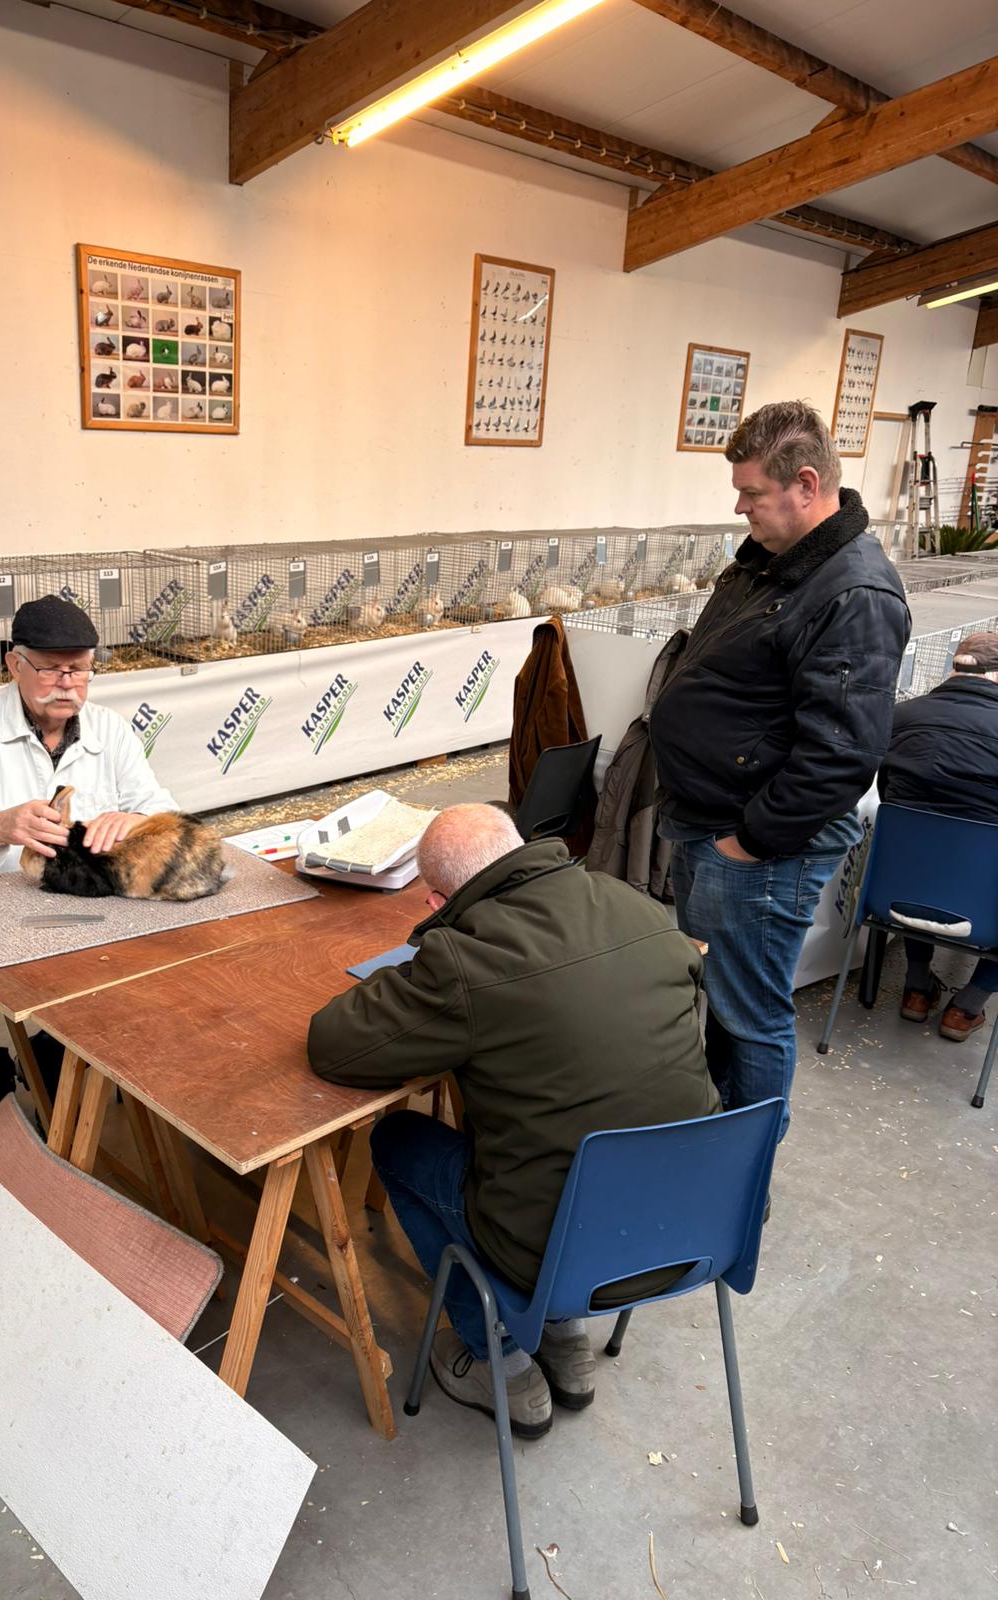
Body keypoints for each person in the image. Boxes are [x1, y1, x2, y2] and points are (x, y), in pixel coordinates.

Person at [307, 804, 720, 1440]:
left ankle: (496, 1356)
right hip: (694, 1225)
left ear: (439, 899)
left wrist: (424, 962)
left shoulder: (464, 959)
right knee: (573, 1120)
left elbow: (334, 1043)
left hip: (553, 1250)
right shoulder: (636, 906)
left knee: (396, 1139)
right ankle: (563, 1334)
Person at [649, 401, 910, 1128]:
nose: (741, 508)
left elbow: (841, 753)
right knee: (723, 998)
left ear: (806, 484)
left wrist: (750, 842)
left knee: (752, 1014)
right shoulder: (775, 562)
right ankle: (716, 1135)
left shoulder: (854, 593)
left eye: (752, 493)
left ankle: (745, 1165)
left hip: (756, 845)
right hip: (710, 820)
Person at [0, 594, 178, 1133]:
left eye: (81, 670)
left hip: (71, 907)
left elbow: (161, 806)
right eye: (51, 669)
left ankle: (53, 1082)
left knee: (97, 992)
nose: (68, 684)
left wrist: (135, 820)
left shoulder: (110, 730)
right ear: (14, 664)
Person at [878, 631, 998, 1041]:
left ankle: (917, 988)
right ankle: (966, 1008)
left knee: (919, 857)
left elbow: (885, 793)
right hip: (983, 903)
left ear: (954, 666)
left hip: (896, 892)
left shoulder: (901, 716)